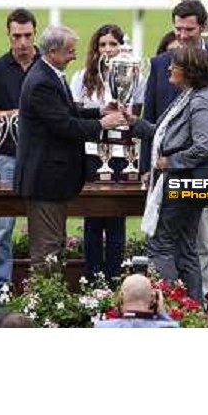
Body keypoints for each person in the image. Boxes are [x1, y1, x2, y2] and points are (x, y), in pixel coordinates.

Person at [142, 0, 208, 305]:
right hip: (166, 174)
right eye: (177, 28)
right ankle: (193, 307)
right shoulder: (160, 65)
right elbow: (156, 118)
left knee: (190, 243)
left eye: (188, 29)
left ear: (203, 26)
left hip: (198, 172)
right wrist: (150, 163)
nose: (182, 35)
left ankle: (176, 305)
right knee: (185, 246)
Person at [13, 25, 125, 270]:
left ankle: (46, 303)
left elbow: (67, 112)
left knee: (54, 245)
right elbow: (63, 125)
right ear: (53, 51)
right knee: (48, 250)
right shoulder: (43, 80)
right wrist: (101, 124)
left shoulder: (49, 74)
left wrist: (99, 111)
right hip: (45, 179)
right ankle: (41, 306)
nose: (74, 56)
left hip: (52, 179)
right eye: (69, 51)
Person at [125, 47, 208, 301]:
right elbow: (164, 134)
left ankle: (171, 306)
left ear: (190, 71)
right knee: (185, 247)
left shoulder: (199, 100)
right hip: (181, 182)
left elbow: (205, 145)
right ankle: (192, 309)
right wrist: (135, 123)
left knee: (161, 245)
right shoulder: (189, 96)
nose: (169, 69)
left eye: (174, 65)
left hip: (181, 182)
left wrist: (172, 161)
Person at [0, 8, 40, 307]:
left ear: (35, 34)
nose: (22, 42)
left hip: (42, 158)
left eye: (27, 35)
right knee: (2, 225)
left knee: (43, 226)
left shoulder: (48, 64)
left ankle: (41, 287)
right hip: (5, 156)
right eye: (17, 36)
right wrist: (7, 115)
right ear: (9, 35)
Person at [70, 24, 128, 285]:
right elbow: (75, 114)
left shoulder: (132, 76)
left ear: (121, 47)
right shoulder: (81, 77)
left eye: (113, 44)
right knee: (93, 217)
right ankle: (92, 278)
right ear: (95, 49)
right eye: (102, 44)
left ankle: (115, 277)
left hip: (122, 154)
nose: (107, 50)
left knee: (117, 217)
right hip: (91, 154)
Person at [94, 274, 179, 328]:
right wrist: (161, 311)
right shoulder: (168, 326)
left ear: (120, 299)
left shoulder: (102, 326)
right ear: (154, 299)